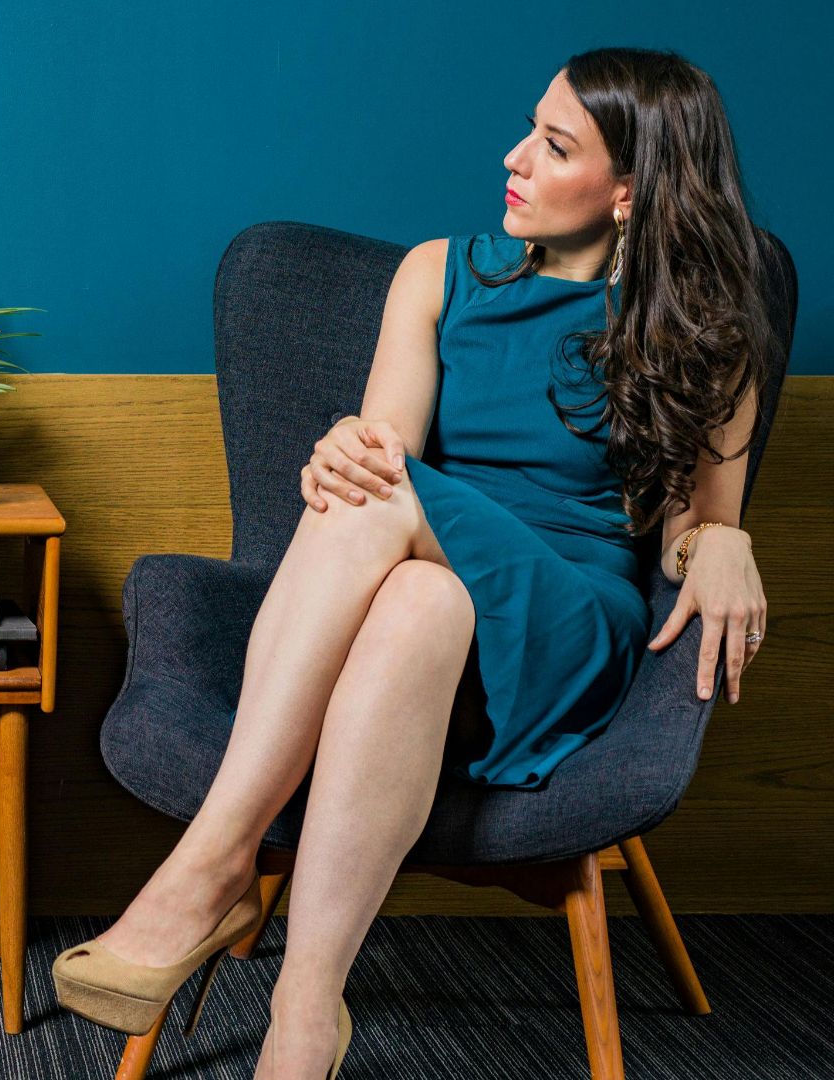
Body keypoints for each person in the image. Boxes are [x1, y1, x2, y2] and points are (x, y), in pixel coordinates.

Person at [52, 47, 775, 1080]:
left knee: (389, 502)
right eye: (531, 126)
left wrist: (730, 539)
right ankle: (308, 1013)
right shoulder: (438, 272)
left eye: (555, 145)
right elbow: (379, 452)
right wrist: (341, 447)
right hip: (439, 600)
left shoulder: (708, 334)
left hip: (570, 614)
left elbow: (693, 529)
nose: (515, 156)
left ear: (629, 192)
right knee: (418, 593)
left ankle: (206, 866)